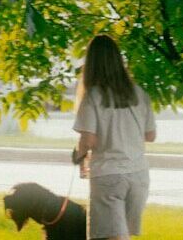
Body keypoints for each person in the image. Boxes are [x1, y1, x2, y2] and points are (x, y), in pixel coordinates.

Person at [73, 34, 156, 240]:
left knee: (112, 237)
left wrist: (78, 155)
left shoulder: (93, 96)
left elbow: (89, 140)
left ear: (91, 63)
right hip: (139, 175)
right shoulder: (139, 93)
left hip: (108, 175)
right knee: (122, 234)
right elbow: (150, 135)